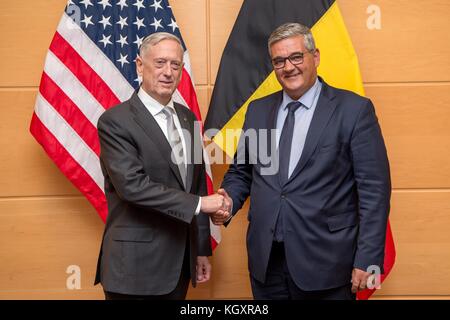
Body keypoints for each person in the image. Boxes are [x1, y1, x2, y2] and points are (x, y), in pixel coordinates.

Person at [215, 23, 391, 300]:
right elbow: (242, 172)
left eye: (296, 57)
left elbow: (374, 191)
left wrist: (366, 258)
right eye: (279, 61)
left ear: (315, 56)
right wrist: (227, 203)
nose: (289, 67)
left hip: (328, 263)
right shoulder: (258, 111)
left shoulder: (354, 110)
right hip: (267, 262)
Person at [94, 32, 227, 300]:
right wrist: (202, 204)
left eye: (175, 65)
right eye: (160, 63)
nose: (168, 72)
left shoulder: (188, 118)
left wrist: (200, 249)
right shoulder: (115, 121)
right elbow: (132, 186)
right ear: (140, 66)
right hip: (134, 269)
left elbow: (197, 184)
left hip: (180, 267)